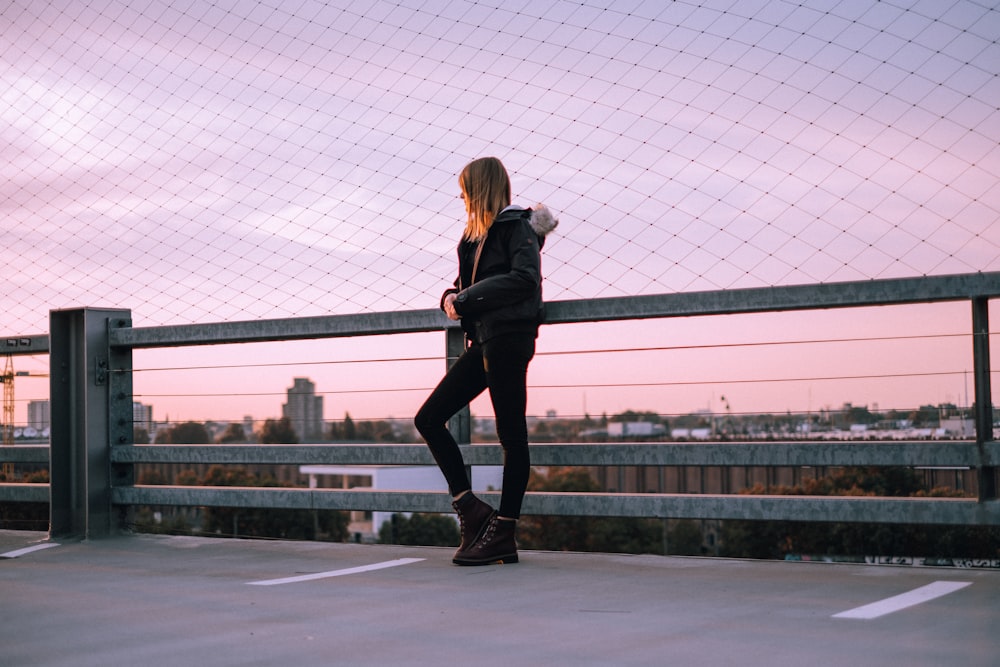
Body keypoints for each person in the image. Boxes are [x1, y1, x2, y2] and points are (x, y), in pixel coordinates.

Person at [415, 157, 557, 566]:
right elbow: (463, 288)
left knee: (511, 438)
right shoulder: (474, 238)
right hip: (483, 341)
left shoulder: (517, 228)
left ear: (481, 188)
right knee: (429, 418)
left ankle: (503, 532)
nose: (460, 197)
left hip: (510, 338)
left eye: (465, 188)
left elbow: (525, 279)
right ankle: (471, 509)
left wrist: (465, 299)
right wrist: (448, 297)